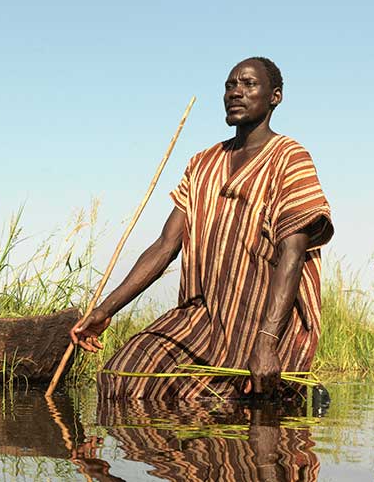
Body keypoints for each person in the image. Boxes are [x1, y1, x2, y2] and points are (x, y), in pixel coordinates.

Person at [70, 57, 334, 400]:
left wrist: (267, 342)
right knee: (121, 379)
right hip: (202, 315)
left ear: (275, 97)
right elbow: (165, 245)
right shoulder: (201, 164)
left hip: (259, 321)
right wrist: (104, 311)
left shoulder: (289, 157)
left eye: (248, 84)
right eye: (229, 85)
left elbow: (293, 252)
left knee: (218, 403)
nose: (235, 92)